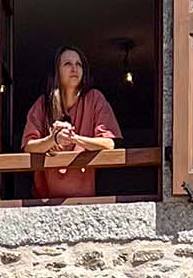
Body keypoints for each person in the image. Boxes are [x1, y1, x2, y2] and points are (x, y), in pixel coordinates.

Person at [21, 47, 121, 201]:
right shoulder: (43, 104)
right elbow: (29, 146)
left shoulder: (95, 99)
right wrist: (53, 139)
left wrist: (74, 138)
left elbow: (109, 144)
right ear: (57, 71)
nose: (74, 68)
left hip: (86, 198)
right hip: (45, 200)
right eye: (67, 64)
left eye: (79, 64)